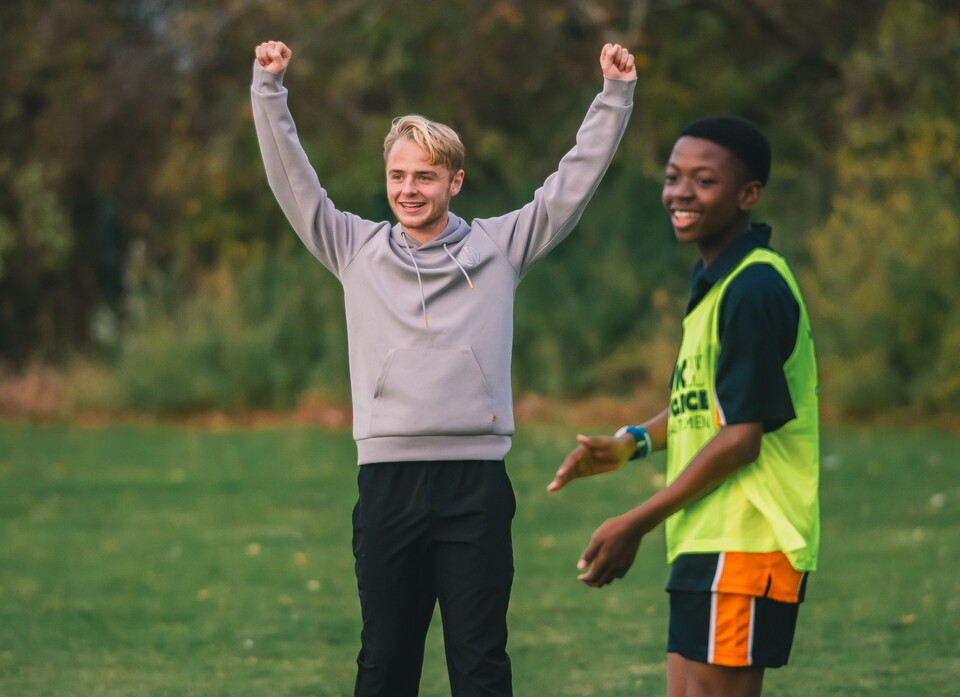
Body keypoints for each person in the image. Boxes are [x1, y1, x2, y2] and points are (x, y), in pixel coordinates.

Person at [251, 40, 636, 697]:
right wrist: (269, 91)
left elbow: (569, 187)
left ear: (453, 181)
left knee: (481, 664)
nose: (409, 189)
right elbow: (294, 182)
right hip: (387, 485)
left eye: (424, 176)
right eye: (398, 175)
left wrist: (614, 96)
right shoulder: (354, 249)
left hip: (475, 486)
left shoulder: (499, 247)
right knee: (384, 664)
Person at [548, 116, 819, 697]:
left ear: (748, 195)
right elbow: (706, 405)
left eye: (704, 180)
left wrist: (635, 522)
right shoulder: (714, 284)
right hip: (706, 538)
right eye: (674, 177)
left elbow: (742, 436)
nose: (681, 193)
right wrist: (632, 442)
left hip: (749, 541)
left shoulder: (753, 288)